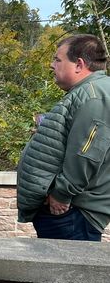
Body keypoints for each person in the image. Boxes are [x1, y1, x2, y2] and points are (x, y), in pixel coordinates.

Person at [17, 34, 110, 241]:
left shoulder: (93, 97)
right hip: (70, 214)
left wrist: (61, 194)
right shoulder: (86, 93)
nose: (52, 65)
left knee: (64, 274)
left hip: (73, 214)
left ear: (79, 64)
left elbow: (87, 154)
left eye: (57, 60)